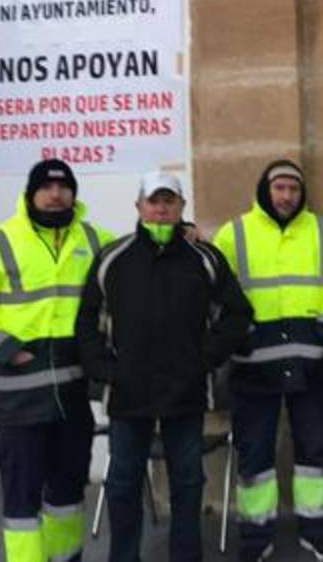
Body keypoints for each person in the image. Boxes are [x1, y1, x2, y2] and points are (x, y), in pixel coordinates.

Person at [75, 172, 252, 562]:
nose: (161, 208)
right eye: (153, 201)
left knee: (188, 482)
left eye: (169, 201)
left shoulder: (204, 258)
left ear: (181, 207)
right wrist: (106, 370)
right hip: (128, 393)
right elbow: (87, 322)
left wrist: (203, 359)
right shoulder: (112, 258)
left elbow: (238, 314)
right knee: (122, 483)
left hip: (185, 392)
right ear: (138, 206)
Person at [0, 159, 112, 562]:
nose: (56, 195)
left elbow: (136, 261)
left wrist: (182, 234)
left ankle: (65, 558)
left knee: (68, 494)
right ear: (30, 193)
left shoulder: (96, 239)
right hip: (18, 402)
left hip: (72, 399)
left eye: (64, 187)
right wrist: (5, 348)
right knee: (21, 502)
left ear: (74, 193)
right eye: (46, 188)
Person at [212, 160, 323, 561]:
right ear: (265, 190)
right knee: (254, 456)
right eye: (279, 188)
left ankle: (317, 531)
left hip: (311, 361)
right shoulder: (234, 233)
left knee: (314, 452)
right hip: (253, 362)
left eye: (293, 188)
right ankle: (255, 539)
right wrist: (238, 332)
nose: (287, 196)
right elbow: (216, 291)